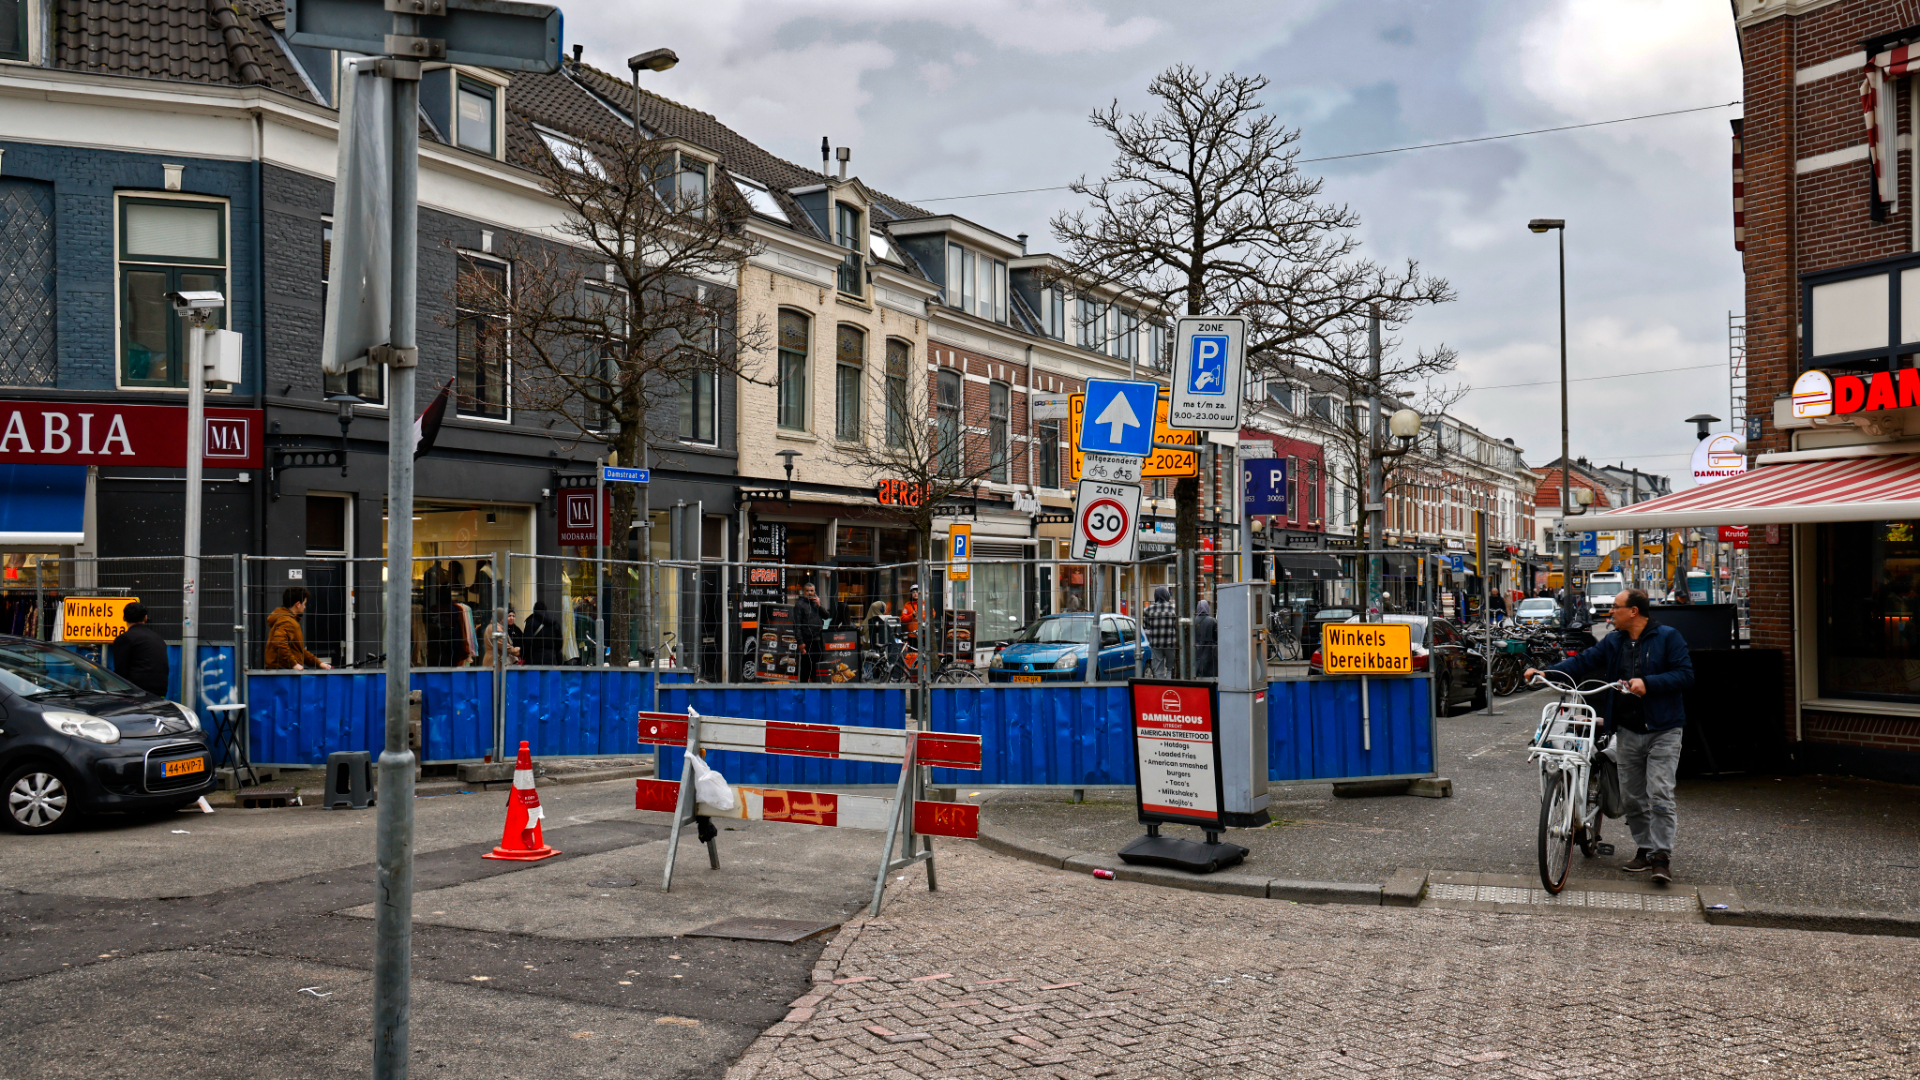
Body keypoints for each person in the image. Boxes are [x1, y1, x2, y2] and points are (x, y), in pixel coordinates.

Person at [1526, 588, 1694, 884]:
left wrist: (1649, 683)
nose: (1610, 613)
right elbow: (1582, 662)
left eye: (1615, 608)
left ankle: (1661, 857)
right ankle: (1645, 848)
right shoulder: (1615, 641)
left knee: (1660, 793)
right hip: (1627, 730)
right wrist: (1546, 673)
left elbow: (1685, 674)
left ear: (1633, 611)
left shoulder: (1668, 637)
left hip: (1664, 729)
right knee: (1631, 796)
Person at [108, 601, 171, 697]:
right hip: (160, 692)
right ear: (145, 618)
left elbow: (120, 671)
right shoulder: (157, 638)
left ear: (124, 618)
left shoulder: (125, 638)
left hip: (136, 693)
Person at [265, 587, 331, 670]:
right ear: (298, 604)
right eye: (304, 603)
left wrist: (319, 663)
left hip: (283, 671)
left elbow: (298, 650)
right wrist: (293, 664)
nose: (305, 607)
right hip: (283, 674)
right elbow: (279, 642)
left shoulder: (286, 618)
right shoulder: (287, 621)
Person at [793, 581, 830, 682]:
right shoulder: (799, 605)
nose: (810, 593)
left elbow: (827, 616)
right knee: (805, 668)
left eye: (812, 591)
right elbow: (797, 625)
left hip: (818, 639)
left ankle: (816, 689)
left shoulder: (816, 603)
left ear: (815, 592)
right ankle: (803, 691)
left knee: (817, 667)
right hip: (806, 640)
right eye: (807, 591)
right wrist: (800, 642)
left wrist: (819, 605)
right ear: (803, 592)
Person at [1142, 586, 1177, 678]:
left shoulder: (1148, 610)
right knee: (1170, 667)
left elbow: (1147, 626)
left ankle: (1160, 687)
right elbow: (1176, 625)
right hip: (1170, 643)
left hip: (1156, 643)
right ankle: (1169, 685)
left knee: (1157, 669)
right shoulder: (1173, 609)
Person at [520, 600, 562, 665]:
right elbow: (559, 643)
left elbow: (527, 641)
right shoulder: (554, 622)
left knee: (535, 675)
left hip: (534, 658)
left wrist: (523, 654)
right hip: (551, 658)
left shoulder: (531, 621)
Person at [1192, 599, 1218, 678]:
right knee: (1209, 670)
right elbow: (1217, 636)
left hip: (1196, 648)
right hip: (1210, 649)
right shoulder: (1213, 621)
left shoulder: (1193, 621)